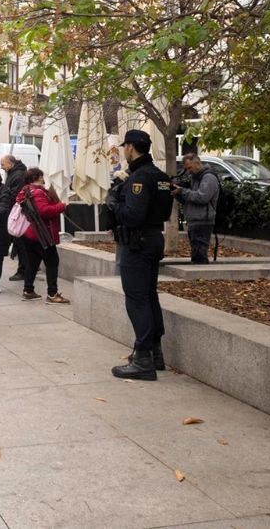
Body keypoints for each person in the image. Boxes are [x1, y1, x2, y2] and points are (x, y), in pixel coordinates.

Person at [108, 130, 173, 381]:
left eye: (125, 146)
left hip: (137, 242)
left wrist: (115, 204)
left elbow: (132, 215)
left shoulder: (140, 178)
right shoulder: (160, 176)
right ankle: (155, 354)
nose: (124, 150)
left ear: (132, 147)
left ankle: (143, 358)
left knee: (137, 299)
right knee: (148, 295)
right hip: (153, 238)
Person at [15, 168, 71, 304]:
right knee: (52, 262)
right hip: (42, 234)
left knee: (32, 263)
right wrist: (62, 206)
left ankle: (28, 290)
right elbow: (43, 211)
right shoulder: (38, 192)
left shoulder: (26, 190)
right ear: (38, 177)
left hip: (30, 233)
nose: (44, 178)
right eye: (42, 176)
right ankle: (52, 294)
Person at [173, 153, 220, 264]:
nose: (188, 171)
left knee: (200, 256)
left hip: (203, 221)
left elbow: (202, 197)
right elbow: (190, 200)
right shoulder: (196, 178)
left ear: (197, 163)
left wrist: (183, 191)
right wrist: (177, 194)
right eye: (186, 169)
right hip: (195, 220)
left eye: (189, 168)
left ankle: (202, 278)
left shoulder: (208, 177)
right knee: (196, 255)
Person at [0, 154, 29, 282]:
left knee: (20, 243)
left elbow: (14, 195)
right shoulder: (15, 173)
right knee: (19, 243)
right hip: (15, 212)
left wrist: (4, 196)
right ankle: (24, 268)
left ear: (10, 164)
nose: (2, 167)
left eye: (3, 164)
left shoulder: (18, 175)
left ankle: (23, 270)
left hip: (18, 214)